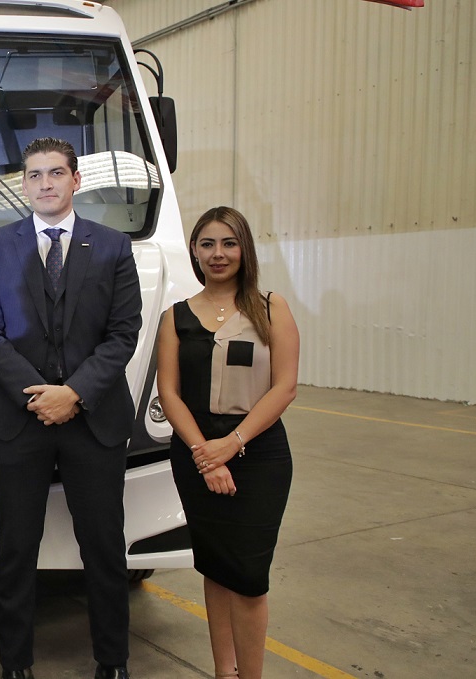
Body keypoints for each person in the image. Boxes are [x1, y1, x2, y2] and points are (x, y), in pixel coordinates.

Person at [0, 137, 141, 679]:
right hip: (19, 421)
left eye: (56, 173)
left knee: (105, 548)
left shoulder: (113, 246)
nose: (45, 183)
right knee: (17, 549)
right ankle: (15, 665)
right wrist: (41, 394)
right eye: (35, 174)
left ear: (76, 180)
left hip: (95, 419)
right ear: (24, 184)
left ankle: (113, 662)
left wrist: (75, 393)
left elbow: (123, 333)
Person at [155, 206, 299, 679]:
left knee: (249, 577)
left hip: (259, 455)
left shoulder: (271, 308)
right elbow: (169, 394)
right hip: (195, 454)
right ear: (194, 252)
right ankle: (224, 671)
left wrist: (232, 444)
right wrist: (206, 454)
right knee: (215, 566)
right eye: (208, 244)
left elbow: (284, 387)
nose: (218, 254)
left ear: (244, 250)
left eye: (229, 243)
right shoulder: (175, 317)